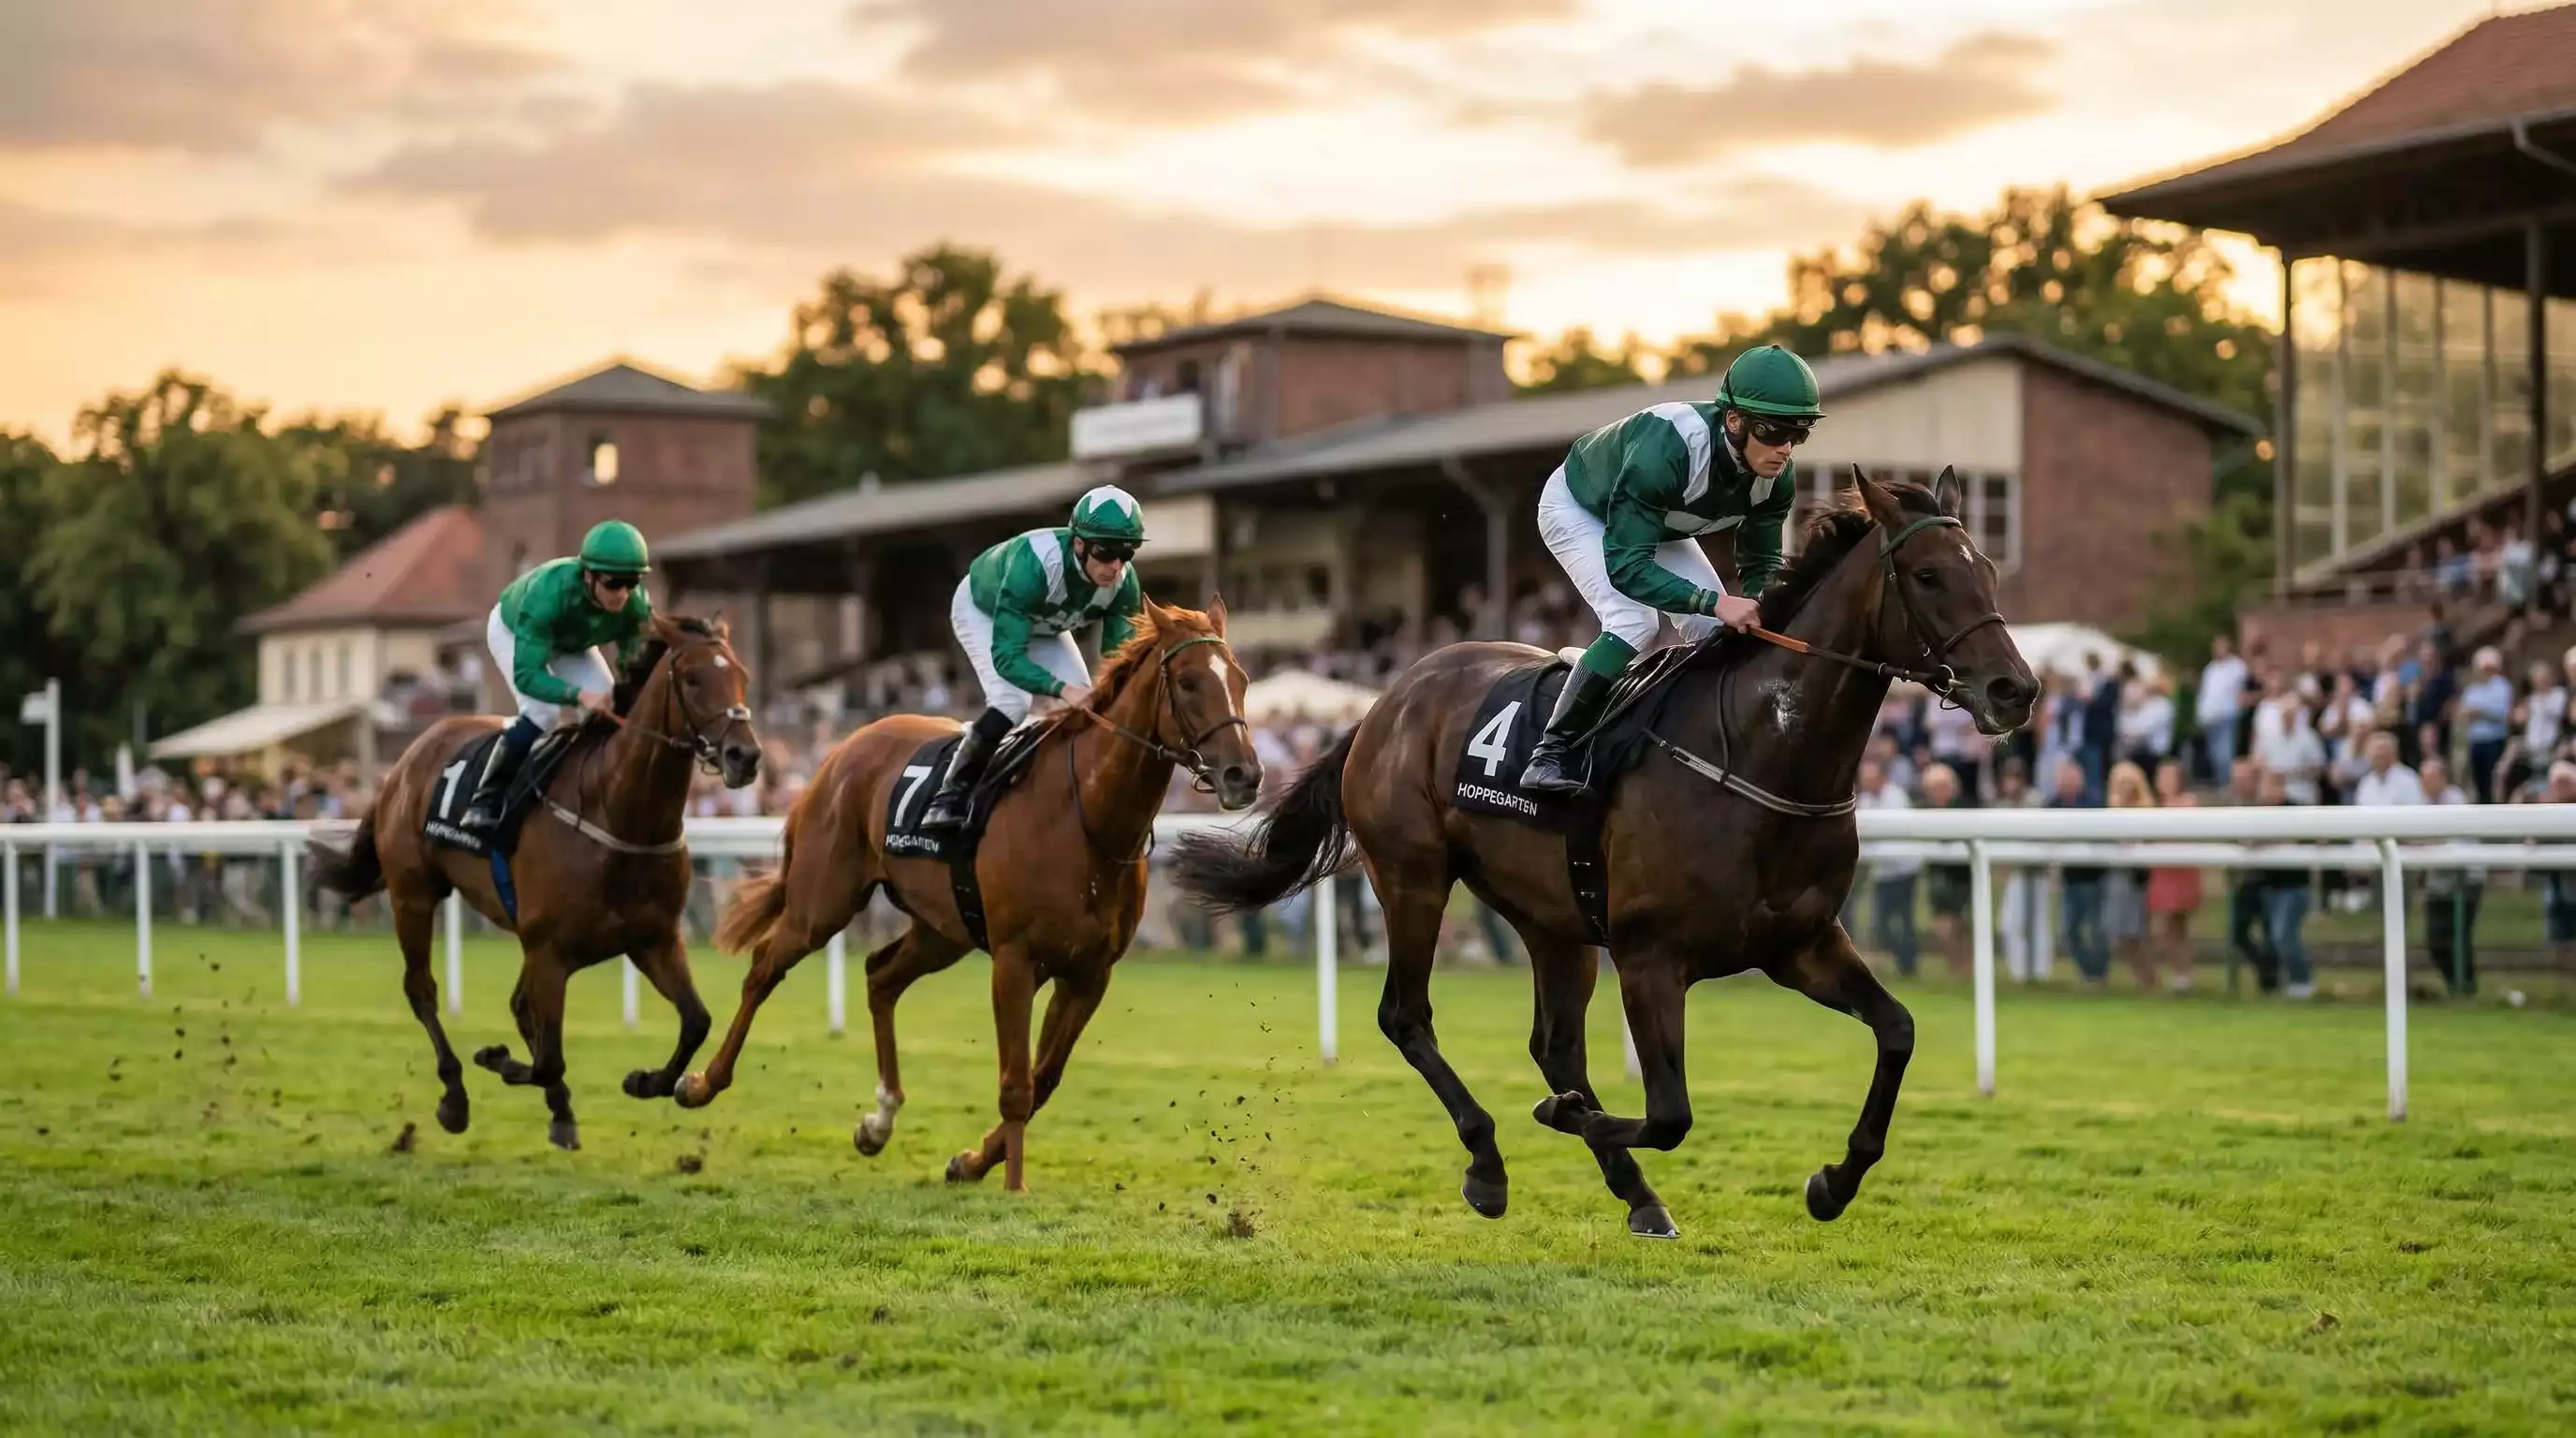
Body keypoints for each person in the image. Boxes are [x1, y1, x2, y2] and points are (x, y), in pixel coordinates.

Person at [1520, 345, 1815, 793]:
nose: (1786, 449)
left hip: (1656, 525)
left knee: (1717, 633)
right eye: (1774, 432)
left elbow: (1759, 565)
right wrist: (1715, 601)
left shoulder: (1777, 478)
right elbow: (1627, 567)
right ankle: (1550, 753)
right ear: (1734, 421)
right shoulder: (1670, 448)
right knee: (1634, 622)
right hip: (1580, 507)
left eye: (1800, 433)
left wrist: (1762, 607)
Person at [921, 486, 1148, 830]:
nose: (1115, 566)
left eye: (1127, 554)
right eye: (1105, 552)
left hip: (1045, 621)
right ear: (1079, 544)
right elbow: (1007, 657)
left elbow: (1118, 662)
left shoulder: (1124, 583)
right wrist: (1059, 687)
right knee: (1013, 702)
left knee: (1087, 705)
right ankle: (949, 795)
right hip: (984, 609)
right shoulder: (1036, 564)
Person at [462, 519, 656, 834]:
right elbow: (527, 676)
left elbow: (630, 666)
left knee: (609, 705)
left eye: (631, 583)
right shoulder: (547, 596)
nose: (622, 594)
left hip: (571, 640)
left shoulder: (635, 606)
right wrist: (578, 695)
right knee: (543, 713)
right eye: (613, 583)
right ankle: (484, 800)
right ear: (589, 575)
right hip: (514, 629)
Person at [2417, 756, 2481, 997]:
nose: (2425, 783)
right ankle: (2455, 984)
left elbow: (2449, 841)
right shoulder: (2422, 803)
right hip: (2438, 880)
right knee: (2434, 940)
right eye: (2423, 778)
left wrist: (2424, 842)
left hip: (2466, 879)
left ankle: (2466, 987)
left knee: (2458, 938)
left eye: (2430, 777)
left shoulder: (2457, 801)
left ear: (2443, 778)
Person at [2047, 756, 2109, 986]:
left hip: (2093, 878)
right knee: (2070, 930)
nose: (2065, 783)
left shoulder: (2094, 802)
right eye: (2061, 779)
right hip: (2069, 879)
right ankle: (2089, 973)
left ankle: (2099, 975)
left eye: (2069, 778)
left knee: (2096, 929)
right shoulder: (2052, 805)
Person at [1853, 757, 1918, 976]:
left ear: (1882, 777)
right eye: (1864, 779)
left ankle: (1908, 966)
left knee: (1904, 921)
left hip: (1904, 870)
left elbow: (1893, 840)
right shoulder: (1864, 800)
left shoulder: (1896, 798)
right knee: (1881, 925)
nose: (1866, 782)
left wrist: (1863, 854)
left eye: (1870, 778)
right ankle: (1905, 960)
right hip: (1883, 872)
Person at [2256, 770, 2317, 1000]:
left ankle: (2303, 981)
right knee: (2275, 938)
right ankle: (2290, 982)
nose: (2264, 792)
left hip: (2295, 886)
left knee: (2283, 935)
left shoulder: (2297, 810)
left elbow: (2309, 839)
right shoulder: (2258, 814)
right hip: (2270, 886)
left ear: (2280, 788)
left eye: (2269, 786)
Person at [2144, 758, 2203, 992]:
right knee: (2167, 925)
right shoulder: (2155, 805)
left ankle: (2184, 974)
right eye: (2161, 776)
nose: (2164, 781)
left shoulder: (2188, 803)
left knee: (2178, 924)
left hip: (2181, 869)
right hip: (2163, 870)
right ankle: (2178, 973)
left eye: (2169, 776)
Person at [2103, 761, 2158, 990]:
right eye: (2120, 782)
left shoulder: (2147, 810)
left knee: (2136, 933)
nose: (2125, 787)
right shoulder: (2108, 810)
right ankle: (2143, 978)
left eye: (2128, 782)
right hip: (2115, 878)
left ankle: (2149, 981)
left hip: (2138, 881)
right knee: (2117, 935)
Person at [1919, 764, 1974, 978]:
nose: (1938, 792)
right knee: (1944, 925)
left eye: (1942, 786)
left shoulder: (1965, 807)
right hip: (1938, 876)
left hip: (1963, 876)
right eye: (1934, 787)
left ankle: (1967, 968)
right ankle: (1955, 968)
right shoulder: (1922, 811)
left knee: (1961, 926)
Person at [2458, 646, 2514, 805]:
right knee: (2479, 783)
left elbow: (2503, 716)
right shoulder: (2472, 689)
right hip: (2476, 740)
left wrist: (2480, 713)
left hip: (2495, 740)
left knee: (2494, 782)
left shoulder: (2502, 687)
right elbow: (2464, 712)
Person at [2197, 635, 2249, 784]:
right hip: (2210, 718)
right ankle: (2220, 782)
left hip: (2227, 716)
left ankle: (2227, 783)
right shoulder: (2210, 669)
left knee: (2225, 753)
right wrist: (2201, 715)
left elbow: (2242, 688)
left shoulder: (2237, 666)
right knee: (2213, 754)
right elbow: (2205, 694)